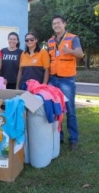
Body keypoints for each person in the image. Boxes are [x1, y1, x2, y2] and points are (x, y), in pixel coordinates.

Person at [47, 15, 84, 151]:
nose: (56, 25)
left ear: (64, 24)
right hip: (53, 79)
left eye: (58, 23)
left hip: (67, 80)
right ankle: (59, 136)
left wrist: (70, 51)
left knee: (70, 110)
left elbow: (80, 54)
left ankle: (73, 139)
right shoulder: (50, 41)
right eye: (54, 23)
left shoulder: (73, 38)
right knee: (55, 109)